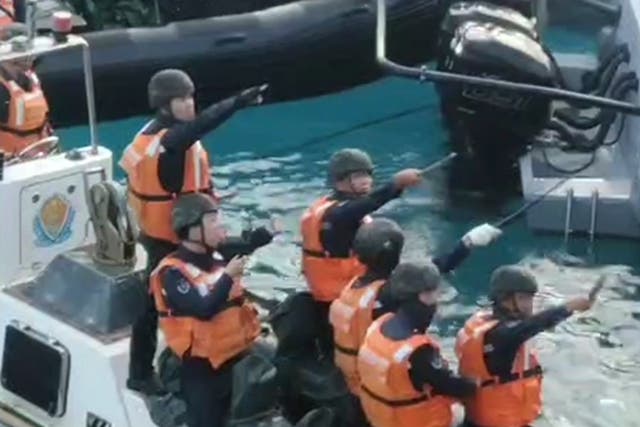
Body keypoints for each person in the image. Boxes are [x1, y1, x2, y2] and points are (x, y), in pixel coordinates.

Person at [119, 68, 268, 394]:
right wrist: (237, 102)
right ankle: (142, 373)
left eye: (191, 97)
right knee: (154, 309)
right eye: (182, 99)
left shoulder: (153, 134)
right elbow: (202, 126)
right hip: (169, 240)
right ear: (164, 105)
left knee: (155, 305)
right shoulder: (171, 139)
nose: (191, 104)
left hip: (170, 229)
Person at [329, 218, 501, 396]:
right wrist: (466, 244)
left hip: (357, 376)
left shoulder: (354, 286)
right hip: (372, 383)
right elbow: (430, 272)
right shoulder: (384, 293)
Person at [149, 193, 262, 427]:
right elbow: (203, 309)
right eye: (212, 221)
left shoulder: (219, 255)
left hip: (237, 356)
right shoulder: (173, 273)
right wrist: (228, 277)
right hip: (203, 369)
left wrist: (269, 231)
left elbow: (250, 243)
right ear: (191, 229)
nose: (219, 226)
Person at [300, 148, 423, 356]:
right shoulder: (337, 215)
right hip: (337, 299)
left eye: (368, 174)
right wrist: (395, 185)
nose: (367, 180)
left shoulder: (331, 207)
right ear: (341, 179)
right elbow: (362, 207)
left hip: (343, 294)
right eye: (358, 176)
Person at [455, 265, 601, 427]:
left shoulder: (484, 323)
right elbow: (530, 326)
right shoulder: (499, 337)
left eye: (531, 298)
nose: (530, 304)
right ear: (505, 299)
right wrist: (569, 307)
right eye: (524, 298)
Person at [357, 261, 479, 427]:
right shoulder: (418, 351)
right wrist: (475, 383)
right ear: (422, 296)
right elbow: (455, 387)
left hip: (382, 419)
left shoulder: (379, 325)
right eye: (434, 293)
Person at [0, 23, 55, 159]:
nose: (29, 56)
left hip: (43, 156)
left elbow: (44, 121)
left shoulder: (31, 78)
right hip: (10, 166)